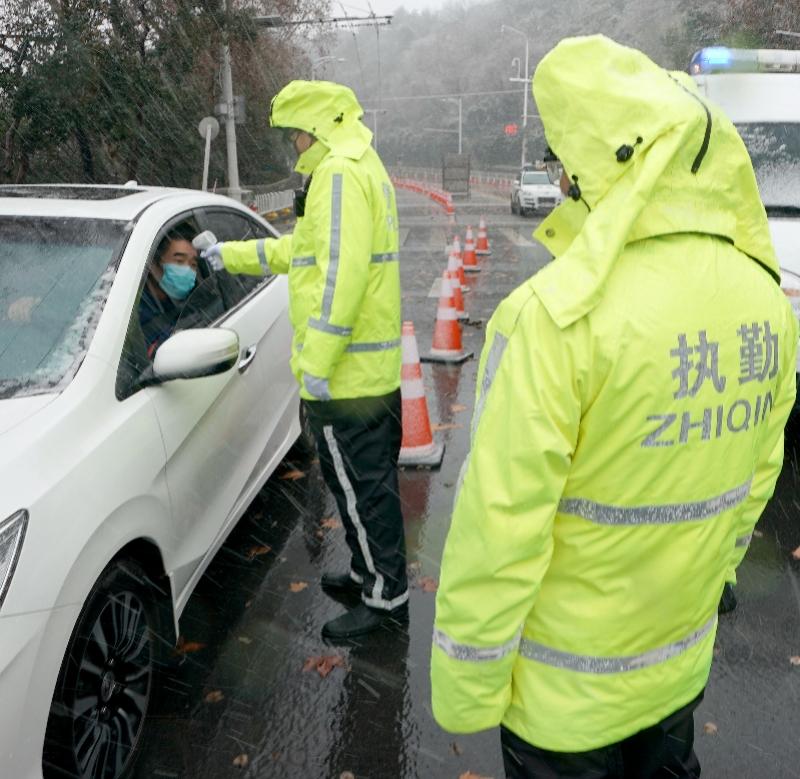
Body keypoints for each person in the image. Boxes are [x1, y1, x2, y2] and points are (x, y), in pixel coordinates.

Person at [430, 35, 798, 779]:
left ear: (597, 169)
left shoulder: (555, 315)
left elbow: (501, 523)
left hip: (563, 705)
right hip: (675, 673)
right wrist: (713, 577)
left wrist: (467, 686)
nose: (558, 178)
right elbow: (757, 474)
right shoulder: (766, 295)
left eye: (565, 163)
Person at [203, 80, 406, 640]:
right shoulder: (360, 166)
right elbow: (304, 252)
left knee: (363, 490)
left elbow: (340, 277)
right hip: (370, 373)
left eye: (295, 132)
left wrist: (315, 362)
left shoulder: (338, 174)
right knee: (368, 488)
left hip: (347, 379)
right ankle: (371, 572)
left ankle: (386, 602)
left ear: (317, 127)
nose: (293, 145)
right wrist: (231, 255)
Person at [139, 234, 200, 356]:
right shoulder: (137, 310)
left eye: (193, 264)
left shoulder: (197, 299)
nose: (187, 270)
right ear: (154, 265)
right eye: (179, 261)